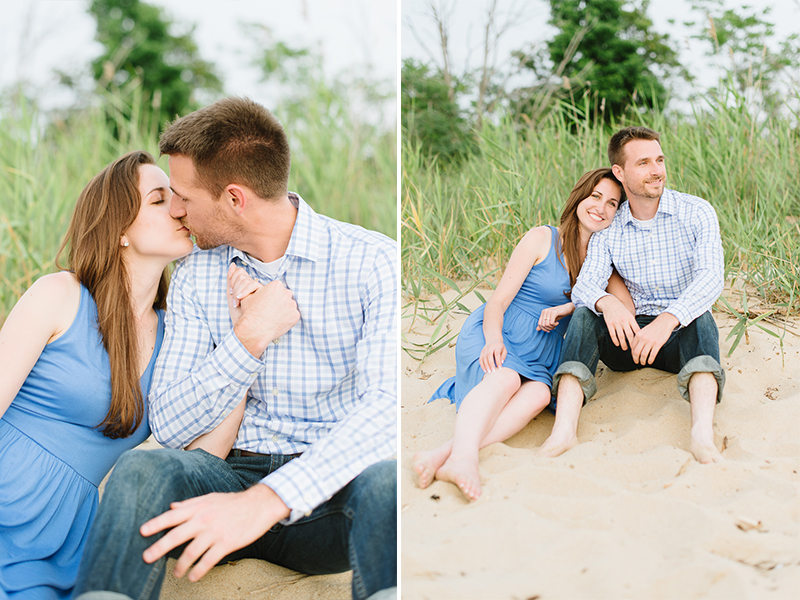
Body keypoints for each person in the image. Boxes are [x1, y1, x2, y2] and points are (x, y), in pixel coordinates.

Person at [72, 97, 397, 600]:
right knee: (143, 469)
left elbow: (385, 408)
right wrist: (247, 339)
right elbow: (170, 422)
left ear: (234, 198)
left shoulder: (372, 261)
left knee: (387, 485)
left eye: (182, 196)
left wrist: (269, 500)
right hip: (222, 485)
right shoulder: (196, 273)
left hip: (324, 494)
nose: (176, 210)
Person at [0, 151, 204, 598]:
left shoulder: (177, 336)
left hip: (75, 534)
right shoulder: (59, 295)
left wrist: (244, 338)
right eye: (158, 199)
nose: (178, 208)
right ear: (120, 231)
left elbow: (204, 453)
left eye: (177, 197)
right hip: (7, 503)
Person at [414, 168, 634, 501]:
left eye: (613, 204)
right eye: (595, 196)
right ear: (580, 197)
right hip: (503, 331)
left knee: (540, 397)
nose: (601, 208)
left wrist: (570, 307)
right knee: (506, 381)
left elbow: (624, 309)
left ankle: (444, 453)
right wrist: (493, 339)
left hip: (544, 350)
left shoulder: (603, 262)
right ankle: (463, 458)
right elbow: (498, 301)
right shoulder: (542, 239)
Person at [540, 126, 725, 463]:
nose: (656, 170)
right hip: (627, 337)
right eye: (643, 163)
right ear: (620, 172)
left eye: (659, 160)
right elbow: (585, 285)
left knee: (702, 317)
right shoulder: (610, 226)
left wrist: (668, 320)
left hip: (678, 334)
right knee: (584, 315)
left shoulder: (697, 212)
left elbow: (711, 278)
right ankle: (564, 430)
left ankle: (701, 435)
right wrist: (607, 302)